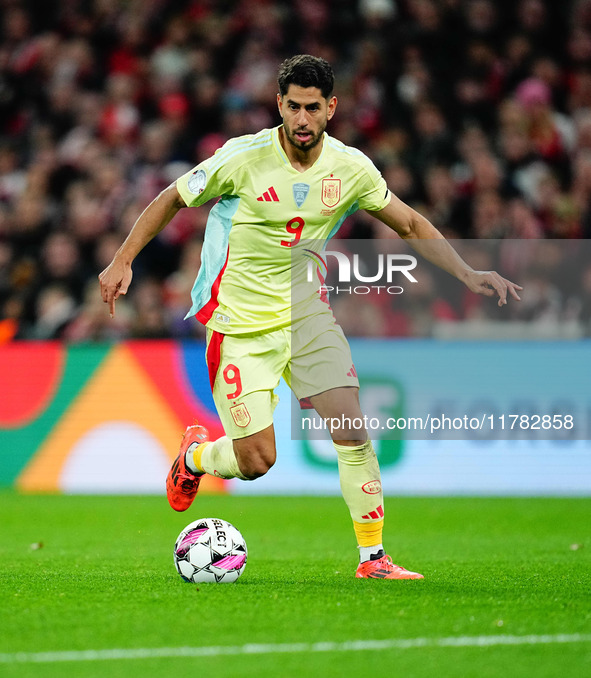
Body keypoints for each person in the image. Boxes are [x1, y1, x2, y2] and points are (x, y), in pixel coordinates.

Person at [99, 55, 522, 579]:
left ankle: (374, 558)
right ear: (279, 104)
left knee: (352, 429)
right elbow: (171, 199)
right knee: (256, 461)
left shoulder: (351, 168)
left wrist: (467, 273)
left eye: (313, 108)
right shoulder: (243, 158)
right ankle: (195, 458)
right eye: (293, 107)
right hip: (239, 324)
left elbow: (409, 224)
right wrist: (123, 259)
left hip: (306, 316)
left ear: (332, 109)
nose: (302, 118)